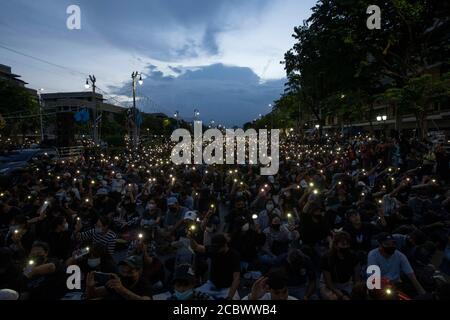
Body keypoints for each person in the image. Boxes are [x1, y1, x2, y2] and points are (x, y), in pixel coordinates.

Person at [190, 233, 241, 300]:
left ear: (225, 245)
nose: (216, 250)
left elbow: (236, 278)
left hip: (227, 288)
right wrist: (191, 237)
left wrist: (229, 297)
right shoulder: (213, 249)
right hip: (212, 285)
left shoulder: (234, 255)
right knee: (192, 294)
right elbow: (196, 247)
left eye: (218, 248)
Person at [85, 255, 152, 300]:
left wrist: (122, 290)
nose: (125, 275)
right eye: (123, 271)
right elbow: (93, 295)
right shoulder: (119, 279)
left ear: (139, 271)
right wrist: (90, 287)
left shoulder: (144, 284)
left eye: (130, 272)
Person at [320, 231, 360, 300]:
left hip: (347, 283)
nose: (346, 246)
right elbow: (329, 283)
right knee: (333, 298)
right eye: (343, 244)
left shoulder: (353, 256)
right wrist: (342, 296)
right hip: (329, 285)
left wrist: (357, 291)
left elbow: (356, 279)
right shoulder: (327, 258)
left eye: (347, 244)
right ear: (335, 245)